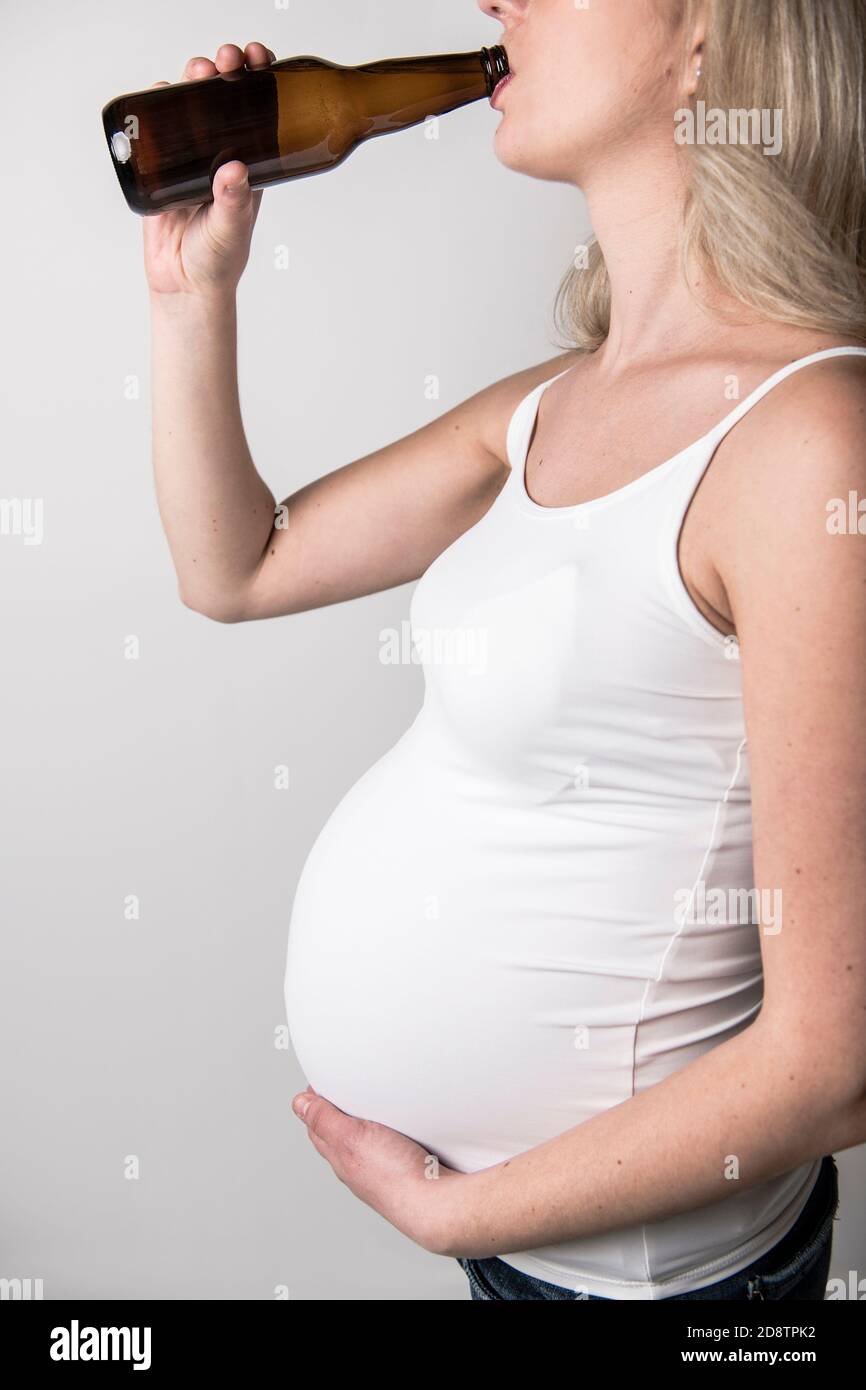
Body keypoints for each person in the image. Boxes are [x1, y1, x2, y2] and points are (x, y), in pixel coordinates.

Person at [144, 1, 866, 1301]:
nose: (492, 4)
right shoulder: (550, 405)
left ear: (706, 38)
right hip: (529, 1261)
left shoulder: (812, 441)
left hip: (657, 1288)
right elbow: (233, 568)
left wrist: (456, 1211)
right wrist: (196, 294)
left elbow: (840, 1056)